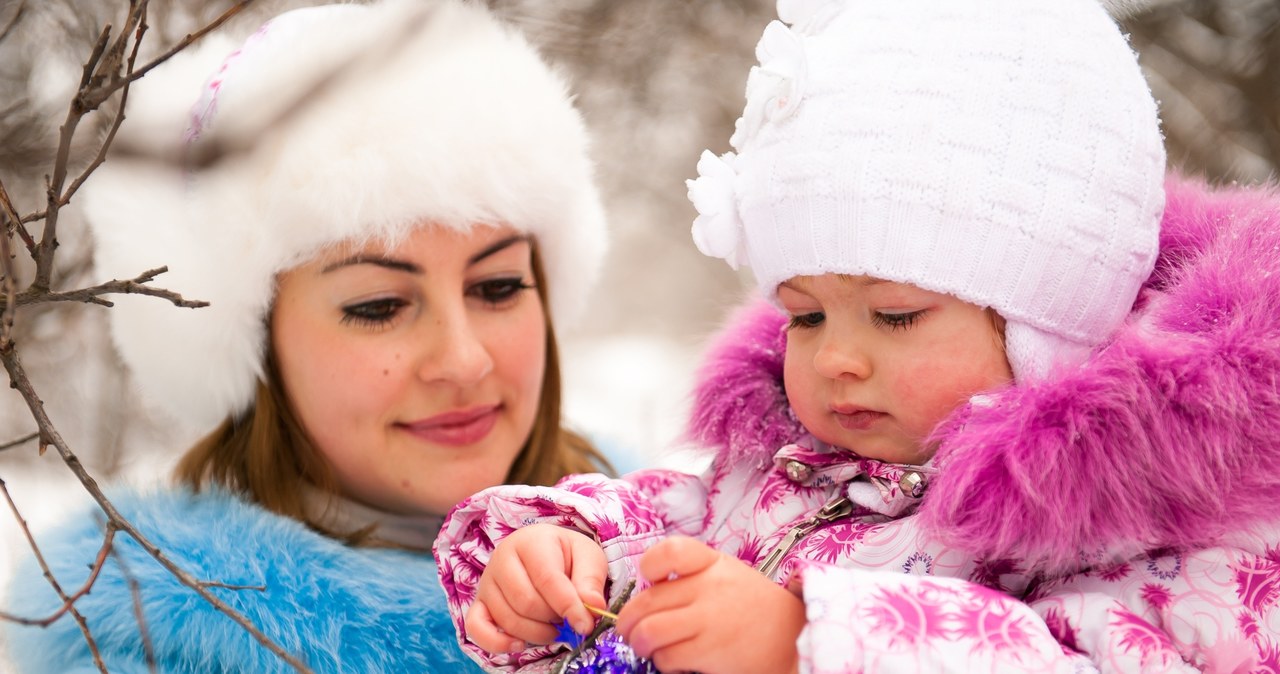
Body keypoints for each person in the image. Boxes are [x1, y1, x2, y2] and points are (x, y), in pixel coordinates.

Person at [436, 0, 1280, 672]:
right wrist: (566, 553)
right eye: (805, 315)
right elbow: (668, 520)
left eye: (896, 315)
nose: (836, 357)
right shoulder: (783, 471)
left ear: (1048, 330)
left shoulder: (1164, 526)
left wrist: (810, 641)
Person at [2, 1, 615, 672]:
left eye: (497, 287)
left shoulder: (690, 542)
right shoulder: (150, 651)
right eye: (379, 306)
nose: (463, 360)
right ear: (251, 344)